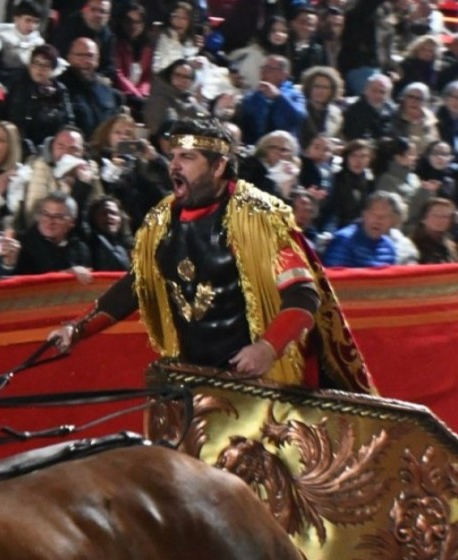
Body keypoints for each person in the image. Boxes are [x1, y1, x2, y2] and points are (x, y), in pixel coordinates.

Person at [47, 116, 374, 393]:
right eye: (173, 155)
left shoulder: (258, 216)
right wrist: (77, 329)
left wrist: (266, 348)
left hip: (258, 385)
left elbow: (303, 296)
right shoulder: (162, 221)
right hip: (193, 384)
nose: (173, 165)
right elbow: (137, 286)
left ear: (218, 166)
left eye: (187, 157)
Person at [4, 44, 72, 151]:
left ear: (53, 69)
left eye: (46, 65)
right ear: (30, 65)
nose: (40, 69)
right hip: (20, 144)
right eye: (36, 64)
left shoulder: (60, 90)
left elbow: (68, 121)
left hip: (50, 146)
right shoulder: (18, 86)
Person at [14, 192, 92, 278]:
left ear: (71, 222)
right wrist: (64, 276)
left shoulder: (81, 249)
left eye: (58, 217)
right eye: (45, 214)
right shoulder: (20, 244)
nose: (50, 221)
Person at [322, 191, 403, 269]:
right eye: (374, 214)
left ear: (392, 220)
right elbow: (334, 277)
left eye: (384, 216)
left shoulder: (389, 247)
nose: (378, 220)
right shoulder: (344, 240)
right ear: (364, 214)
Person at [236, 55, 304, 146]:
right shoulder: (252, 96)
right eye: (263, 68)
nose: (264, 72)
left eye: (269, 69)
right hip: (255, 145)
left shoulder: (295, 94)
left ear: (284, 74)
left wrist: (279, 97)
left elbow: (299, 117)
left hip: (284, 145)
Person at [60, 38, 121, 137]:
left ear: (97, 59)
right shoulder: (60, 87)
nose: (85, 60)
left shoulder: (106, 90)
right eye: (79, 55)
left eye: (90, 55)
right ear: (69, 57)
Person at [85, 194, 132, 270]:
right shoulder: (89, 243)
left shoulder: (131, 247)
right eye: (104, 213)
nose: (109, 217)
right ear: (94, 218)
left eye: (113, 213)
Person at [408, 196, 458, 264]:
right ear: (423, 218)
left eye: (445, 216)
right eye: (435, 215)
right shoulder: (411, 245)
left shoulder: (452, 247)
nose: (440, 220)